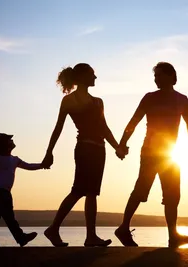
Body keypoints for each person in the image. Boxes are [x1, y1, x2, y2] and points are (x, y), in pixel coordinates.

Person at [114, 62, 188, 248]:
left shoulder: (182, 100)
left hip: (170, 154)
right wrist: (122, 144)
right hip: (150, 153)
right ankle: (123, 227)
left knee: (172, 195)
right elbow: (133, 122)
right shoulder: (149, 98)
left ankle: (173, 236)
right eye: (155, 76)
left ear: (171, 76)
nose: (156, 79)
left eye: (159, 75)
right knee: (141, 190)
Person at [42, 63, 127, 247]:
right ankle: (58, 230)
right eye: (92, 75)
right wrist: (49, 152)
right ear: (82, 78)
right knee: (81, 191)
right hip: (84, 148)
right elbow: (58, 128)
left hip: (99, 149)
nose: (95, 78)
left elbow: (103, 127)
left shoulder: (98, 101)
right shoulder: (69, 101)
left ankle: (85, 235)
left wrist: (117, 147)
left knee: (90, 192)